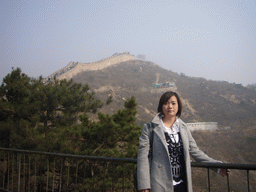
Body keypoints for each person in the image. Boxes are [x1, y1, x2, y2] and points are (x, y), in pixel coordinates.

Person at [137, 91, 229, 192]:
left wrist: (217, 166)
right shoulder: (150, 128)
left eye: (173, 103)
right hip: (160, 184)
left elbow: (195, 152)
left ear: (178, 106)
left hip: (182, 184)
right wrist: (144, 185)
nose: (170, 106)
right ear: (161, 106)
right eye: (166, 103)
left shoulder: (183, 128)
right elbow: (143, 157)